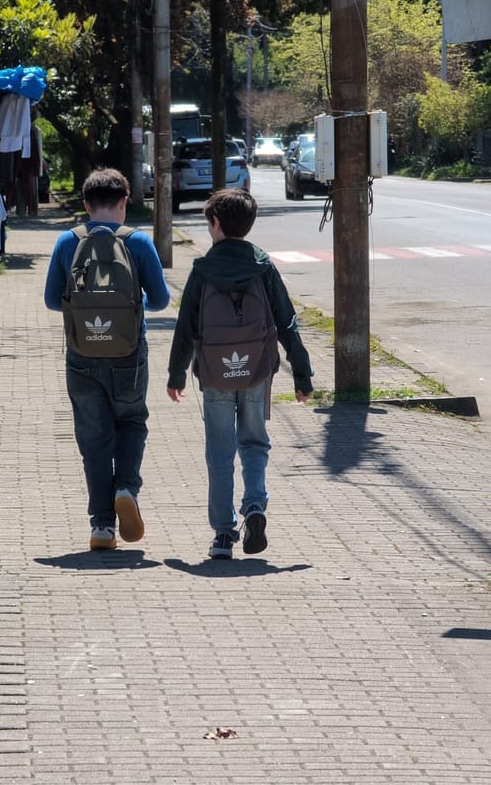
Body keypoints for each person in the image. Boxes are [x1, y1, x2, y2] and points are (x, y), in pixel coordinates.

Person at [167, 187, 313, 560]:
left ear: (214, 223)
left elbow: (185, 326)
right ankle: (255, 508)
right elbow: (287, 321)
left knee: (220, 452)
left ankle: (222, 535)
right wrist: (302, 375)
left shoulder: (202, 270)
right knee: (254, 442)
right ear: (248, 225)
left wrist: (176, 374)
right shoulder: (263, 265)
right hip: (257, 370)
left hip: (215, 372)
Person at [44, 168, 170, 550]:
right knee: (131, 422)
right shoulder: (139, 242)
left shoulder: (68, 241)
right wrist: (133, 305)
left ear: (85, 205)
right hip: (129, 352)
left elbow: (52, 300)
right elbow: (162, 300)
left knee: (94, 439)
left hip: (81, 353)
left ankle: (102, 527)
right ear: (124, 202)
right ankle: (127, 488)